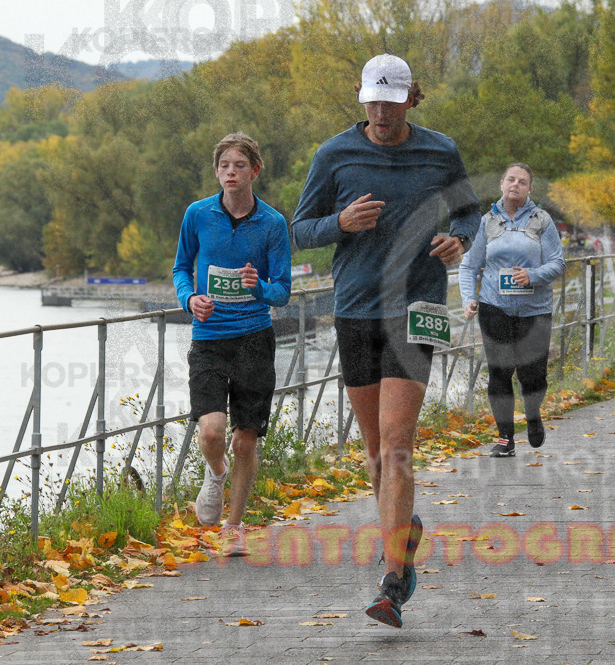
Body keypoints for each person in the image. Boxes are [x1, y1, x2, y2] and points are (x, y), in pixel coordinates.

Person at [291, 54, 481, 628]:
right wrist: (340, 224)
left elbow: (472, 212)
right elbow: (300, 229)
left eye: (389, 100)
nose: (378, 110)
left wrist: (459, 241)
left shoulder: (440, 151)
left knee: (398, 439)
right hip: (355, 308)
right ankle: (406, 530)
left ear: (409, 99)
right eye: (370, 100)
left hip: (417, 305)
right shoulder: (335, 154)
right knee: (375, 452)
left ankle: (393, 578)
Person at [172, 132, 292, 555]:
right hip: (209, 337)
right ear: (216, 171)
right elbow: (181, 268)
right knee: (211, 431)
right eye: (224, 166)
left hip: (254, 339)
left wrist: (258, 286)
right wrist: (190, 298)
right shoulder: (198, 215)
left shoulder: (273, 224)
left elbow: (283, 291)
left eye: (239, 166)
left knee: (246, 439)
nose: (231, 172)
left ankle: (235, 526)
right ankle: (216, 473)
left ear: (254, 171)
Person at [459, 163, 565, 457]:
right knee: (499, 372)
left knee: (533, 376)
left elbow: (558, 263)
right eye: (510, 180)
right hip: (495, 307)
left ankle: (533, 413)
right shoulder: (487, 222)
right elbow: (470, 265)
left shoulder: (542, 220)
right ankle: (505, 438)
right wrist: (468, 298)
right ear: (501, 185)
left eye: (522, 182)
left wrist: (532, 275)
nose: (515, 185)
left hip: (535, 310)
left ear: (530, 189)